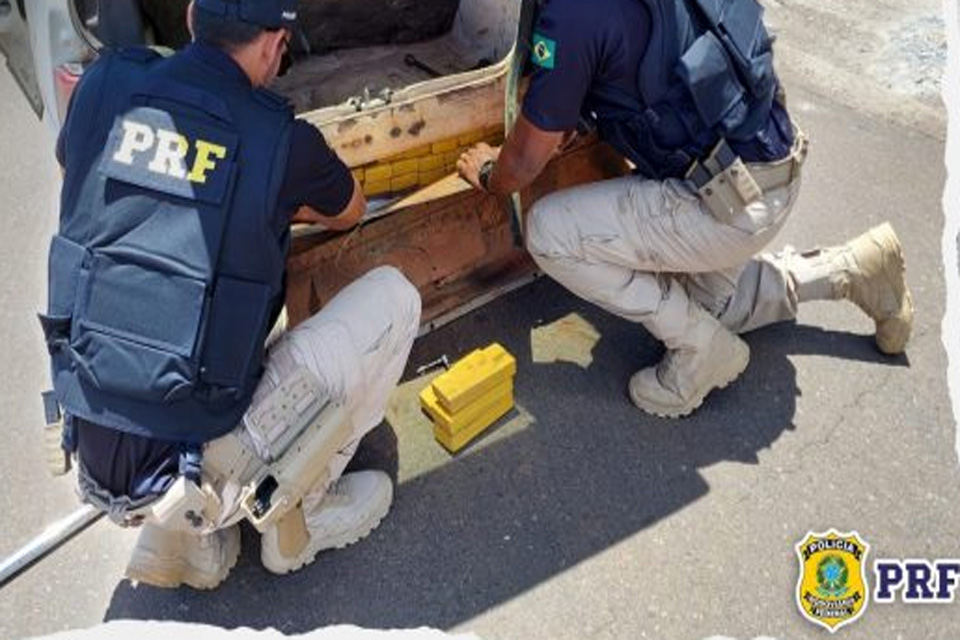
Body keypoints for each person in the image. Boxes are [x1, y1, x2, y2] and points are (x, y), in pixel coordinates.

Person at [39, 0, 421, 589]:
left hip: (88, 433)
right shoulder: (280, 139)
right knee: (396, 300)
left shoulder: (105, 84)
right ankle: (302, 520)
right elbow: (346, 212)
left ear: (192, 18)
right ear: (273, 44)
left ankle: (184, 539)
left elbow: (78, 171)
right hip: (195, 458)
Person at [458, 0, 913, 418]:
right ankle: (854, 269)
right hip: (772, 167)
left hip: (723, 206)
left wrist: (487, 173)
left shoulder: (573, 14)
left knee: (548, 232)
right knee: (712, 307)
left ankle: (698, 351)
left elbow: (520, 164)